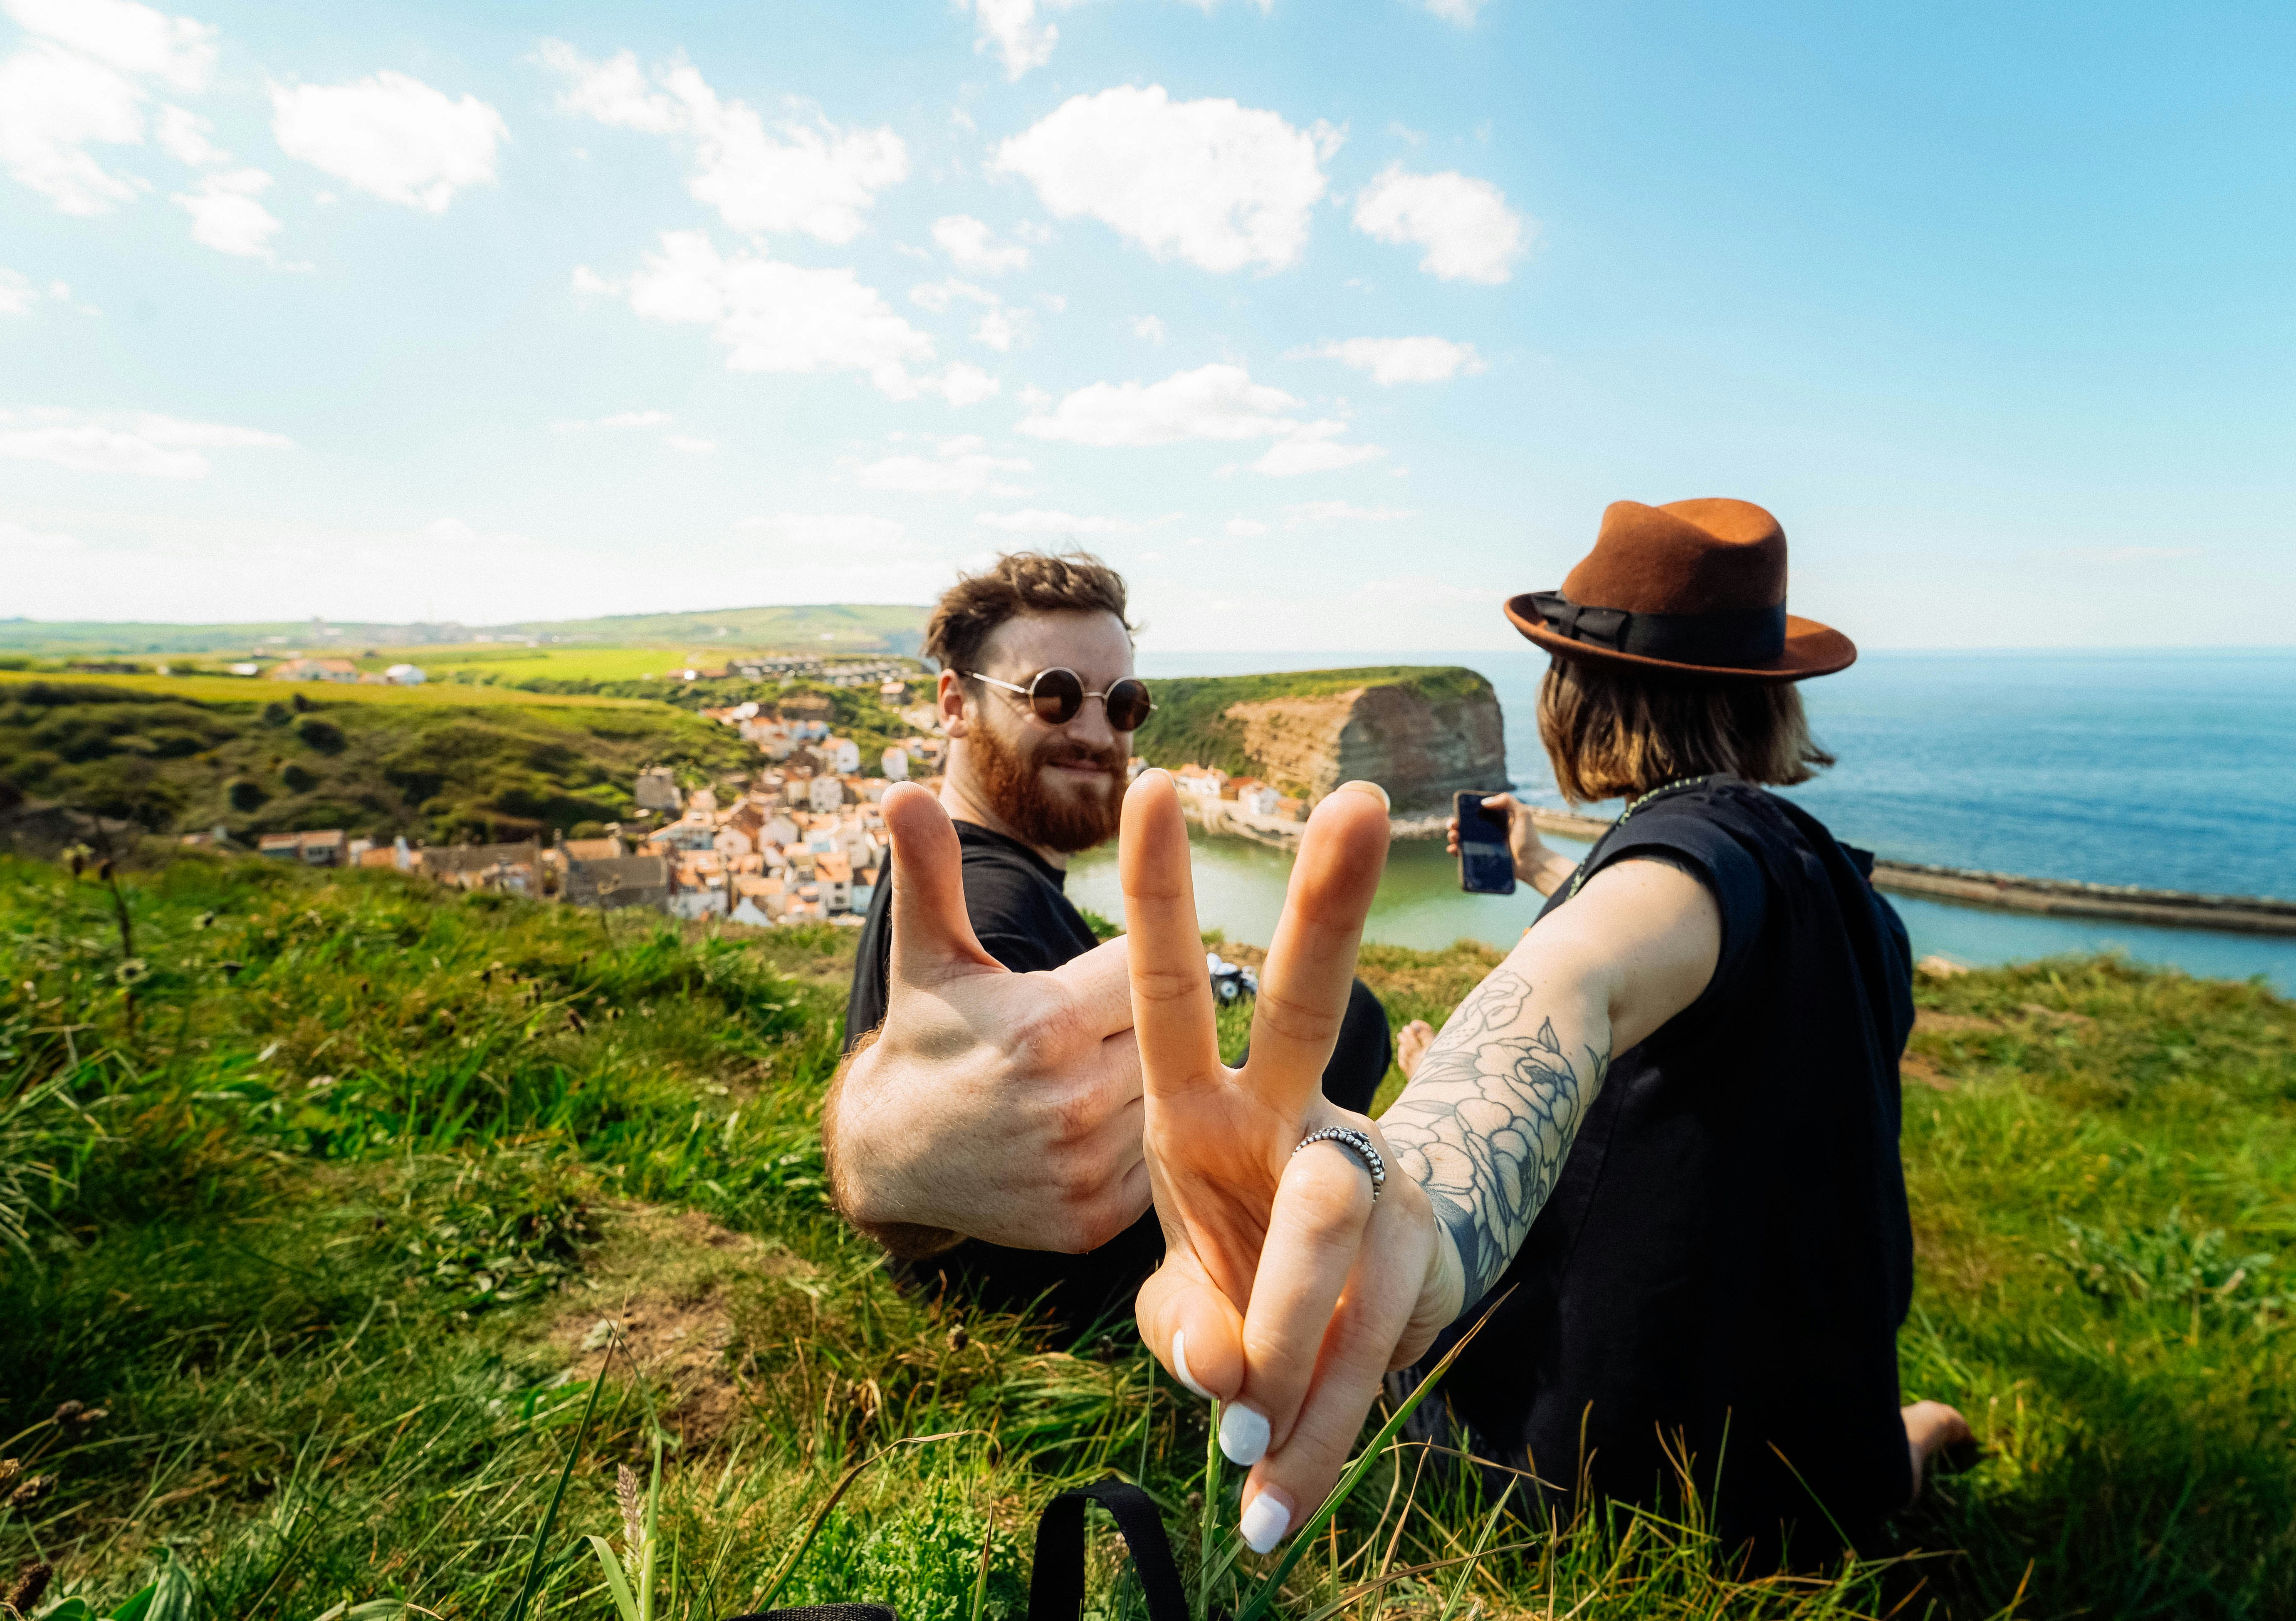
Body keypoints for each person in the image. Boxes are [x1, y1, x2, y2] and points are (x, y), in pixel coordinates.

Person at [1119, 498, 1971, 1566]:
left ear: (1575, 694)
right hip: (1807, 1454)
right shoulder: (1837, 892)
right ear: (1769, 703)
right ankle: (1904, 1443)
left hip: (1614, 1478)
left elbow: (1581, 983)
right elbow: (1666, 976)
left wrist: (1412, 1191)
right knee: (1875, 1455)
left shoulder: (1676, 866)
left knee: (1406, 1382)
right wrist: (1541, 881)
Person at [825, 550, 1391, 1337]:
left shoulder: (983, 875)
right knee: (1354, 1020)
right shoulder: (994, 907)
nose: (1095, 732)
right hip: (1075, 1312)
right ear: (955, 704)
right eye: (1051, 696)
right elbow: (958, 1146)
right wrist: (889, 1160)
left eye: (1122, 703)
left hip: (1003, 1296)